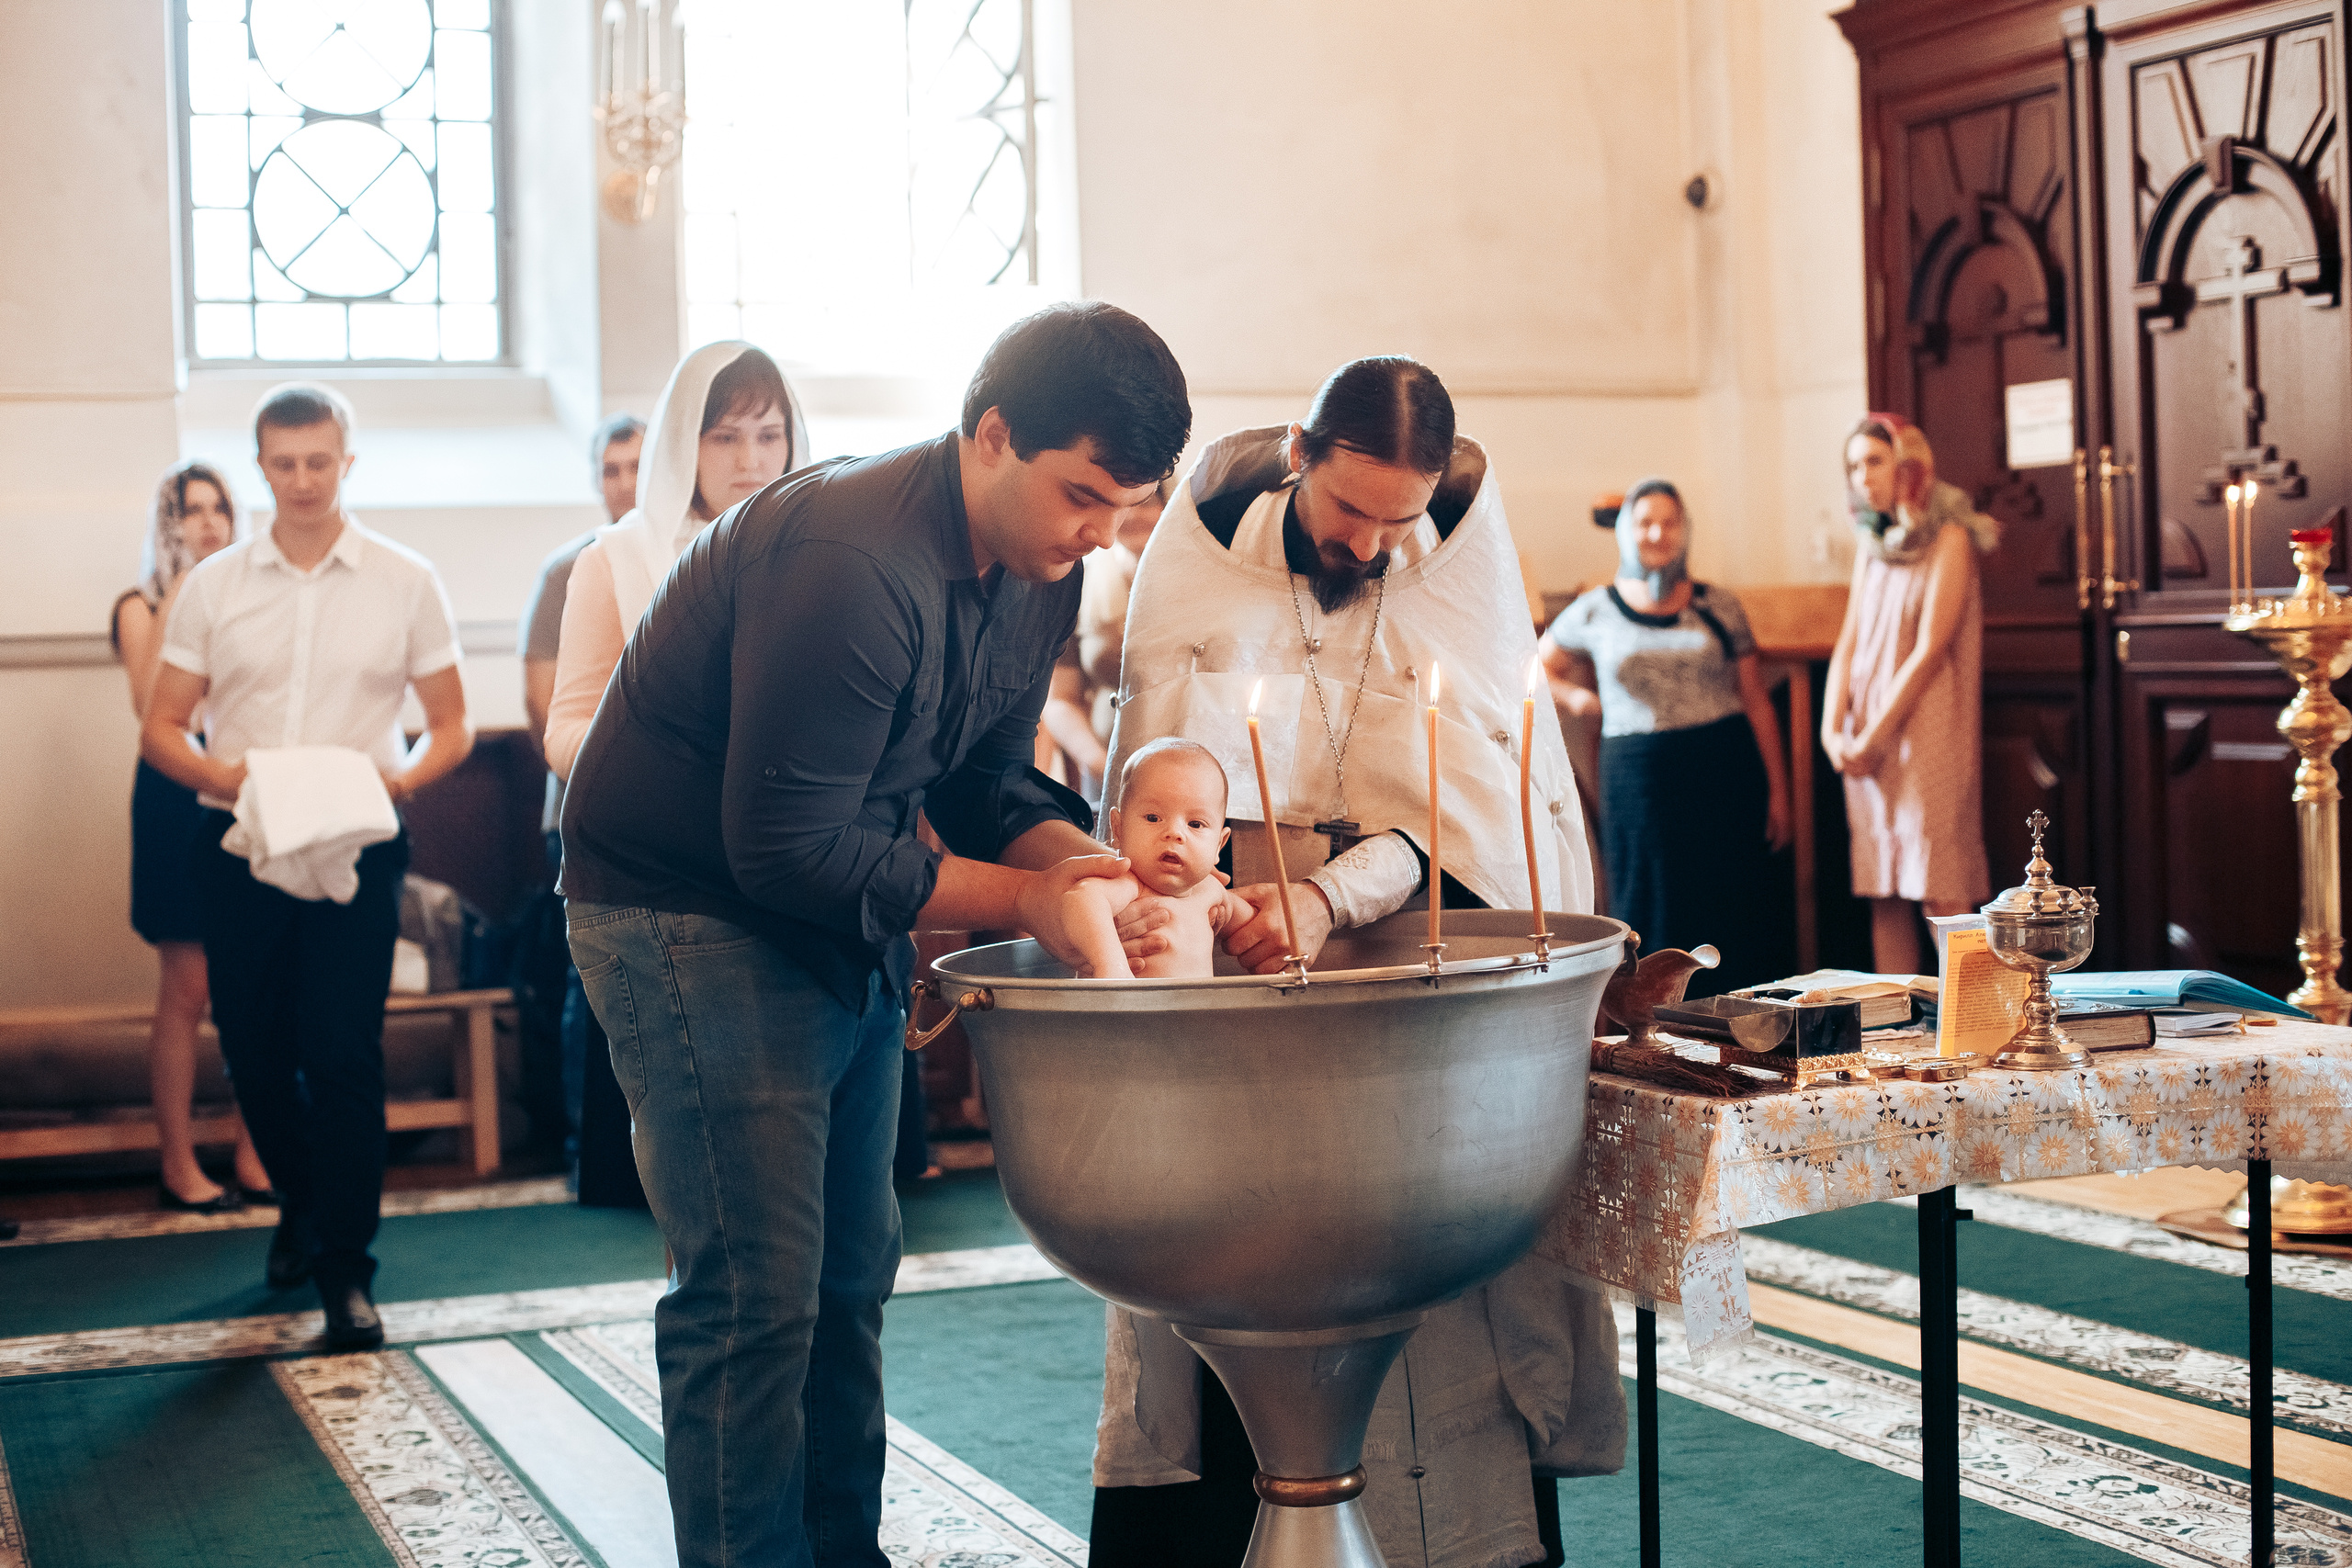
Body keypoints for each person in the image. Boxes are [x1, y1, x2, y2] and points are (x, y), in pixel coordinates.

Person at [560, 301, 1190, 1567]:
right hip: (686, 911)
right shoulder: (850, 557)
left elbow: (987, 782)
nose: (1099, 535)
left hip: (836, 906)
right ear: (992, 434)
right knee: (755, 1294)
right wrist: (1027, 903)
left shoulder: (1038, 567)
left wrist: (1097, 871)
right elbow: (782, 846)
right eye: (1082, 496)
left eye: (1125, 509)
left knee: (849, 1277)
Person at [1096, 357, 1619, 1568]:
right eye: (1350, 511)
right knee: (1229, 1258)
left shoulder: (1458, 567)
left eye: (1401, 518)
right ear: (1300, 454)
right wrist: (1217, 896)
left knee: (1431, 1272)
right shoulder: (1197, 562)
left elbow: (1481, 823)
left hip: (1411, 989)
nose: (1376, 545)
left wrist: (1333, 896)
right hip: (1229, 992)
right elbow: (1152, 789)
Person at [141, 382, 472, 1349]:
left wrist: (399, 780)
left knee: (341, 1052)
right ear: (261, 467)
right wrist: (223, 775)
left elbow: (451, 724)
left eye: (318, 462)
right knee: (252, 1051)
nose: (302, 481)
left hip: (357, 842)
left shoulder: (405, 578)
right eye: (283, 464)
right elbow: (162, 725)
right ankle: (303, 1203)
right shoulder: (215, 586)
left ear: (346, 461)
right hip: (239, 840)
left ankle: (345, 1270)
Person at [1540, 478, 1793, 991]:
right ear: (1625, 532)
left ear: (1685, 531)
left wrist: (1780, 794)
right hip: (1639, 782)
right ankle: (1654, 1024)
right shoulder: (1595, 608)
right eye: (1645, 523)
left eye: (1669, 522)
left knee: (1732, 905)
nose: (1658, 533)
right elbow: (1534, 667)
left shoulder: (1718, 605)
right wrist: (1577, 700)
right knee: (1649, 904)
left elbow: (1755, 699)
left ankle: (1742, 1022)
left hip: (1723, 771)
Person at [110, 461, 273, 1212]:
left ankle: (256, 1153)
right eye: (191, 509)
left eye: (220, 508)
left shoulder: (253, 597)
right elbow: (150, 704)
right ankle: (177, 1163)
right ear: (167, 524)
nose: (208, 521)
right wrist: (188, 586)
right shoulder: (140, 605)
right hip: (175, 797)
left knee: (255, 978)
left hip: (245, 791)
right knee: (187, 986)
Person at [516, 413, 645, 1194]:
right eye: (611, 469)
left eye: (637, 465)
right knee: (592, 982)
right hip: (581, 803)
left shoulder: (696, 551)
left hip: (675, 821)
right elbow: (544, 703)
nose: (625, 482)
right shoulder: (571, 567)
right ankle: (592, 1158)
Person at [1822, 414, 1996, 974]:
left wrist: (1875, 735)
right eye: (1853, 466)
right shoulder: (1871, 546)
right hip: (1866, 738)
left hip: (1925, 729)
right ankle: (1897, 1017)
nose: (1862, 476)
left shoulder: (1951, 539)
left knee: (1940, 887)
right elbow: (1848, 642)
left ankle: (1969, 1015)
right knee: (1885, 890)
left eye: (1874, 461)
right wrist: (1832, 730)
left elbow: (1931, 649)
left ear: (1909, 464)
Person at [1062, 739, 1254, 979]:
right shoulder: (1129, 885)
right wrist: (1111, 965)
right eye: (1153, 818)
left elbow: (1254, 931)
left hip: (1197, 1005)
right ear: (1118, 829)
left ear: (1219, 845)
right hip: (1126, 1003)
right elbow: (1080, 899)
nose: (1174, 833)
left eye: (1195, 824)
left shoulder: (1212, 891)